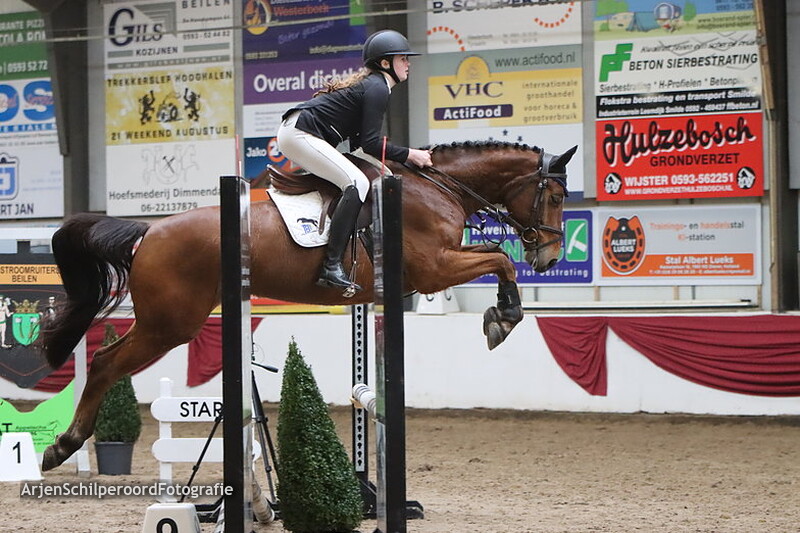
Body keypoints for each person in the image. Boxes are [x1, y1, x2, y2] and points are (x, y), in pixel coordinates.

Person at [277, 29, 432, 294]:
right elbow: (372, 143)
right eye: (403, 58)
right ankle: (331, 265)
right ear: (386, 63)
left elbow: (361, 144)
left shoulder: (375, 86)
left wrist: (386, 166)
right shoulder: (378, 88)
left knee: (363, 177)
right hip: (301, 133)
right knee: (357, 183)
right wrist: (410, 154)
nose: (408, 63)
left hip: (299, 132)